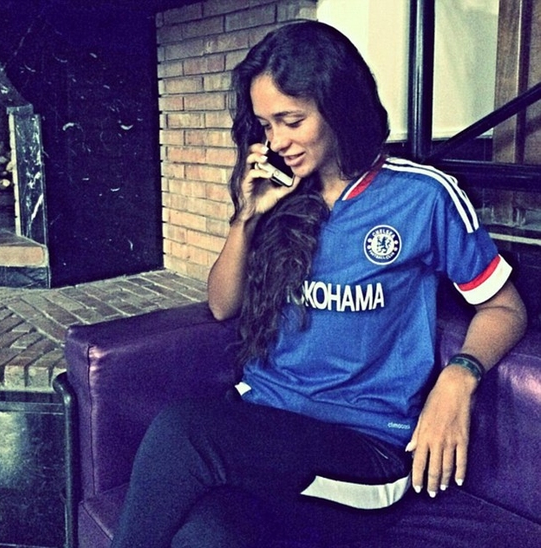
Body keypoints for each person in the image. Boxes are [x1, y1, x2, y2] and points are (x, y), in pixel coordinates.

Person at [112, 21, 527, 547]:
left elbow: (506, 308)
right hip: (265, 428)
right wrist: (247, 217)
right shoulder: (283, 193)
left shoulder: (423, 197)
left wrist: (458, 377)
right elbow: (221, 306)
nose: (276, 142)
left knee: (181, 432)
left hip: (364, 449)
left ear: (339, 107)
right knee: (208, 535)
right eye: (266, 125)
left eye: (292, 121)